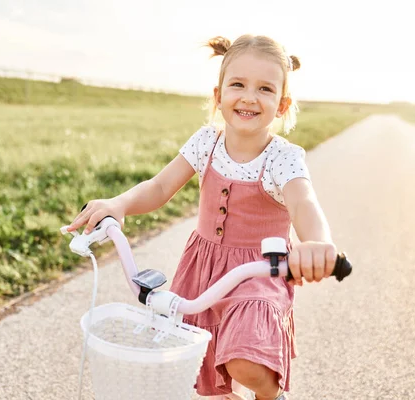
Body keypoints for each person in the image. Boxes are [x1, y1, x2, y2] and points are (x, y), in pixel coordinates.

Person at [67, 34, 337, 400]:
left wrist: (317, 244)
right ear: (218, 95)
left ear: (282, 104)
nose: (249, 97)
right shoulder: (205, 142)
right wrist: (120, 203)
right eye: (238, 84)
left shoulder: (283, 157)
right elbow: (160, 187)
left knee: (246, 361)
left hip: (258, 274)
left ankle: (273, 396)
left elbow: (303, 202)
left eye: (265, 89)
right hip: (203, 270)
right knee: (199, 375)